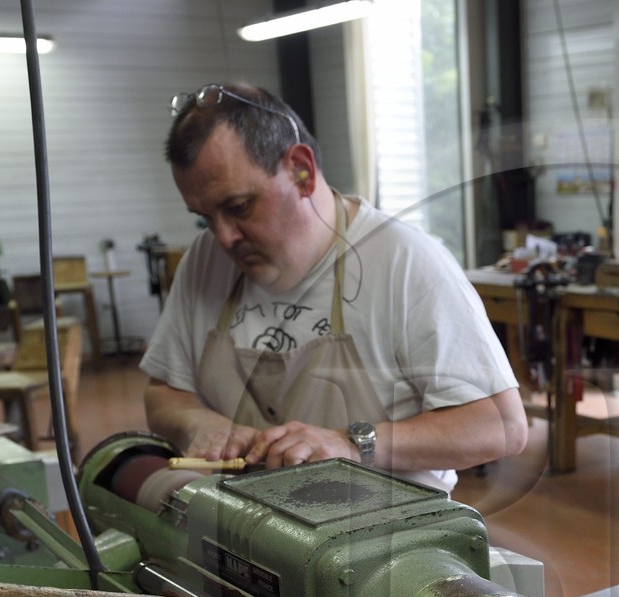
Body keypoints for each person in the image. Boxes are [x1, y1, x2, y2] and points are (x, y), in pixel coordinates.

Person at [141, 83, 526, 493]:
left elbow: (500, 426)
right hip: (248, 519)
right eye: (204, 217)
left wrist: (352, 443)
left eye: (239, 206)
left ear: (301, 171)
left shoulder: (404, 261)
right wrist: (200, 423)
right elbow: (163, 393)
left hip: (388, 525)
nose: (224, 237)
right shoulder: (204, 260)